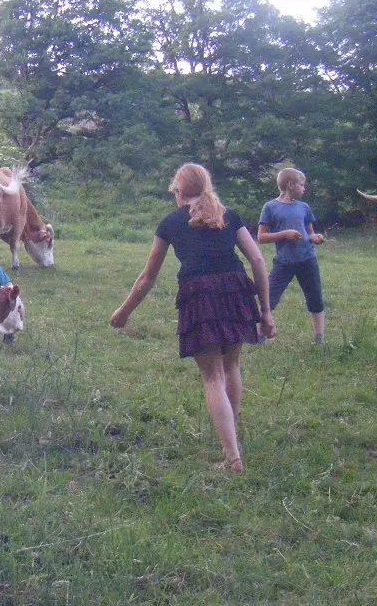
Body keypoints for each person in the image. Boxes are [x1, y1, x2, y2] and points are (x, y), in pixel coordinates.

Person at [111, 163, 274, 473]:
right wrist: (265, 310)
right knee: (231, 366)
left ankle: (232, 457)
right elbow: (256, 259)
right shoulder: (229, 215)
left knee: (212, 377)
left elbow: (148, 278)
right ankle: (233, 442)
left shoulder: (170, 223)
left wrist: (124, 312)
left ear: (178, 191)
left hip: (199, 294)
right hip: (235, 288)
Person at [258, 168, 326, 344]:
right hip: (284, 262)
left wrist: (315, 237)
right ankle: (259, 336)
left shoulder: (304, 207)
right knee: (268, 299)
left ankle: (319, 338)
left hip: (307, 259)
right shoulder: (270, 207)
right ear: (290, 185)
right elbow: (261, 237)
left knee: (315, 298)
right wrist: (284, 234)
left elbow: (309, 232)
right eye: (301, 185)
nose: (304, 189)